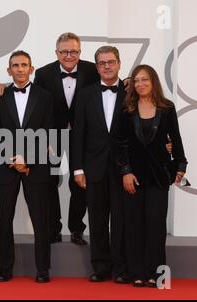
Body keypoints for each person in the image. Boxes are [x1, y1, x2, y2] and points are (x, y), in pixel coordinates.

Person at [117, 64, 187, 287]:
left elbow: (175, 138)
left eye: (144, 80)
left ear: (153, 81)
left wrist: (180, 164)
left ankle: (156, 274)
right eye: (136, 80)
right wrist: (125, 171)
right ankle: (137, 272)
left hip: (158, 176)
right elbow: (120, 144)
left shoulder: (167, 108)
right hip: (133, 177)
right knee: (134, 225)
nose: (140, 84)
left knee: (156, 226)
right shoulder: (127, 108)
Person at [0, 51, 54, 283]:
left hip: (36, 166)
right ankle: (4, 269)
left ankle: (43, 269)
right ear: (9, 70)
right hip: (6, 166)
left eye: (23, 65)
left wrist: (27, 160)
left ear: (31, 68)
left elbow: (49, 133)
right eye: (15, 65)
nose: (19, 69)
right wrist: (12, 159)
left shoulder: (45, 97)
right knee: (4, 218)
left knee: (40, 218)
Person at [34, 32, 99, 245]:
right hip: (53, 136)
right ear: (56, 52)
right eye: (64, 51)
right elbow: (39, 108)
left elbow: (110, 83)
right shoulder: (43, 74)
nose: (69, 55)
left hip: (84, 136)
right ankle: (53, 228)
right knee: (49, 182)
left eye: (74, 51)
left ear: (80, 52)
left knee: (80, 182)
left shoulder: (92, 70)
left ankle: (77, 229)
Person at [72, 46, 129, 284]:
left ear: (119, 64)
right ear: (96, 67)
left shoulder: (130, 93)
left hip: (123, 168)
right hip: (93, 167)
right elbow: (78, 134)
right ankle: (101, 267)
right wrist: (78, 168)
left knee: (121, 220)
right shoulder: (85, 94)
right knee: (96, 220)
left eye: (111, 62)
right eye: (102, 63)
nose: (107, 66)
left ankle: (121, 268)